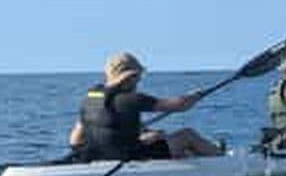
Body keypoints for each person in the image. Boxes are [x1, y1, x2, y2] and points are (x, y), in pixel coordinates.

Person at [68, 52, 224, 162]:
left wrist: (142, 134)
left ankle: (199, 154)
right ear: (130, 77)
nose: (139, 80)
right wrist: (195, 96)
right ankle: (222, 160)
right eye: (138, 76)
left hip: (93, 154)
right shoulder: (132, 99)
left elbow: (75, 139)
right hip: (128, 157)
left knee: (157, 136)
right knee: (187, 136)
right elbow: (180, 105)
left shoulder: (93, 96)